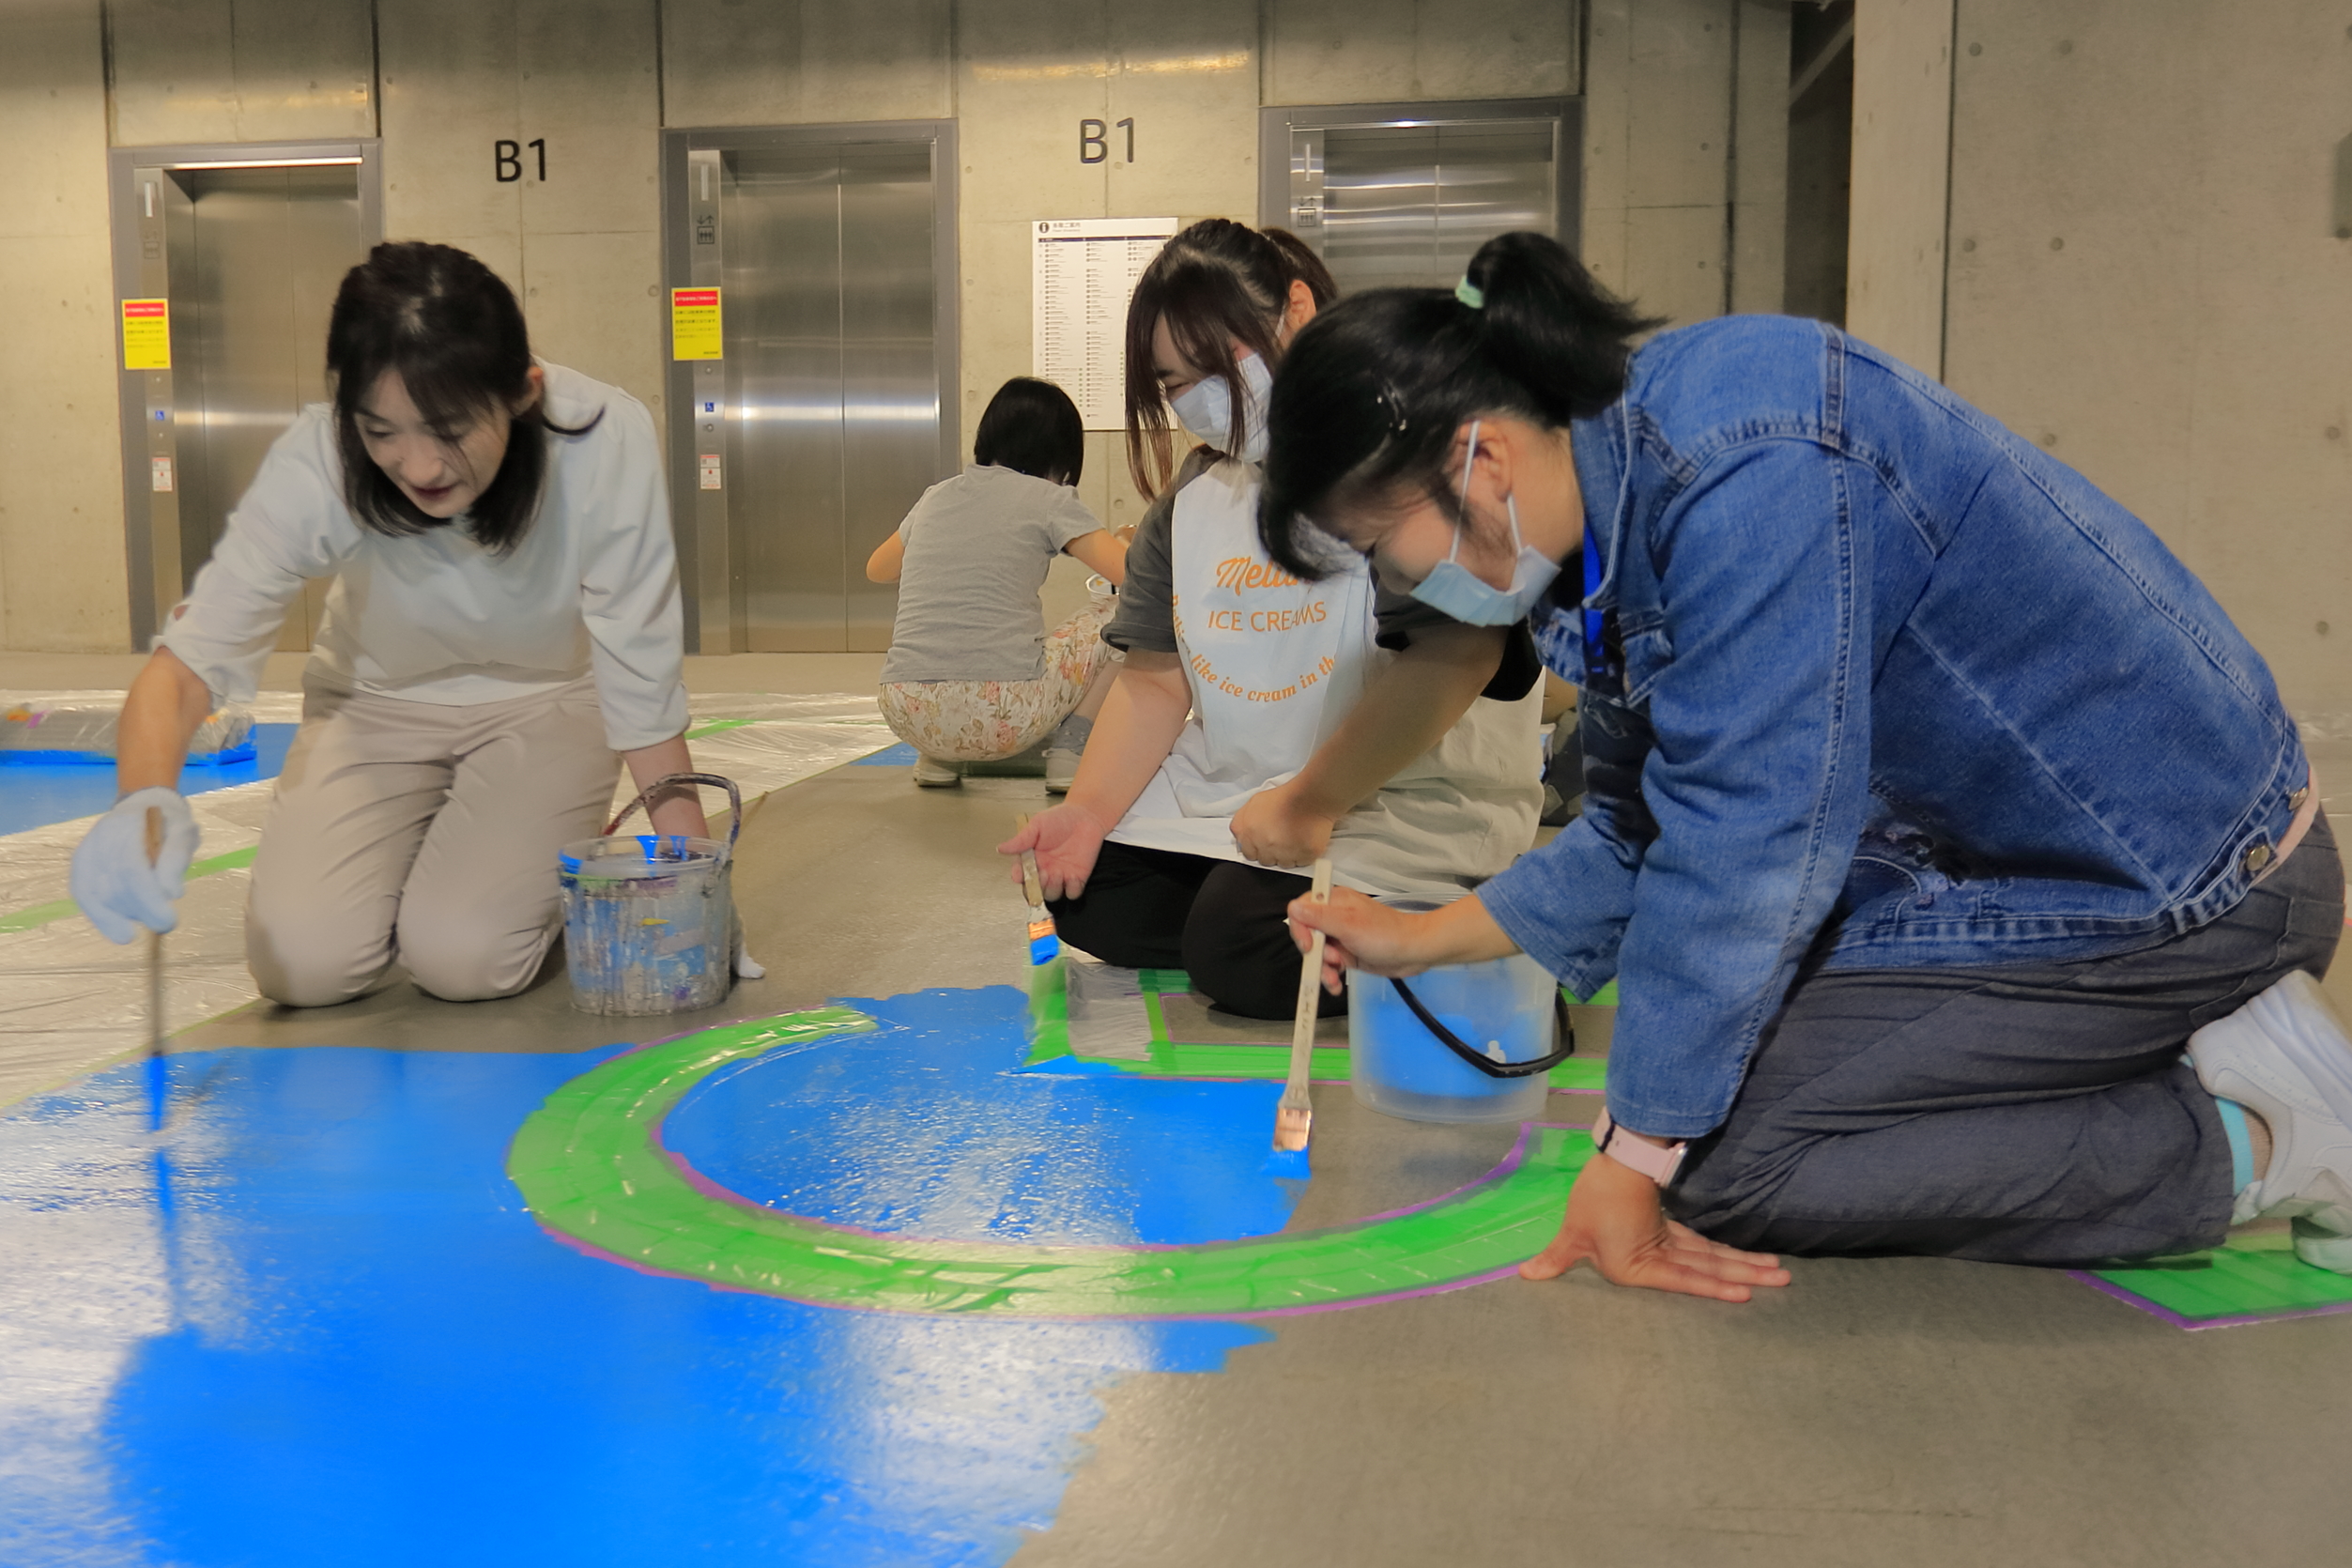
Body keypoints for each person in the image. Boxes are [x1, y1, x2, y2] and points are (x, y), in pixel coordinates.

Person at [1260, 230, 2348, 1299]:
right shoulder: (1602, 517)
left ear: (1478, 456)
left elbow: (1748, 844)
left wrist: (1635, 1156)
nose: (1394, 581)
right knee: (1694, 1103)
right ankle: (2199, 1046)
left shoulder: (1745, 461)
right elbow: (1644, 826)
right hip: (2041, 866)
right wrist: (1421, 939)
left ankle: (2269, 1138)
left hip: (2190, 877)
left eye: (1375, 545)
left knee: (1727, 1161)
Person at [70, 241, 725, 1006]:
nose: (417, 467)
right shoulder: (319, 459)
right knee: (302, 968)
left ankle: (497, 869)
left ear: (522, 391)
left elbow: (638, 669)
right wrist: (139, 807)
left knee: (464, 960)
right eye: (381, 432)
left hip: (547, 702)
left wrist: (695, 878)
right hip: (373, 703)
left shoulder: (604, 438)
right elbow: (184, 671)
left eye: (446, 429)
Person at [1003, 220, 1543, 1020]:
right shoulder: (1193, 502)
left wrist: (1310, 805)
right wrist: (1085, 812)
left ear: (1296, 306)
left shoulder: (1399, 456)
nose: (1197, 398)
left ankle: (1453, 926)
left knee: (1236, 945)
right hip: (1254, 799)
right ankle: (1309, 918)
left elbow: (1452, 658)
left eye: (1214, 365)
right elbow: (1154, 680)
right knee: (1090, 890)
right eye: (1173, 382)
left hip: (1399, 795)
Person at [865, 377, 1128, 792]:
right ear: (1061, 450)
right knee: (1120, 616)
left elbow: (878, 570)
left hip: (905, 711)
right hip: (1005, 718)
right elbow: (1132, 576)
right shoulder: (1050, 499)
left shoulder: (936, 496)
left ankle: (939, 758)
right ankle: (1069, 754)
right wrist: (1128, 542)